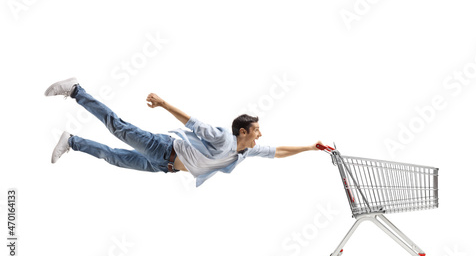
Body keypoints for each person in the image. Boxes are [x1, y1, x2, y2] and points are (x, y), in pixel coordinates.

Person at [45, 78, 322, 187]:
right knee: (118, 128)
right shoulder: (224, 138)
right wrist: (164, 103)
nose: (260, 135)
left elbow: (278, 151)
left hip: (165, 166)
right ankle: (75, 90)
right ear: (242, 131)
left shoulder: (245, 152)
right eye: (257, 131)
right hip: (163, 148)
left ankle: (72, 141)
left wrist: (310, 147)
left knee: (114, 157)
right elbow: (193, 122)